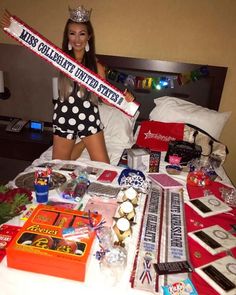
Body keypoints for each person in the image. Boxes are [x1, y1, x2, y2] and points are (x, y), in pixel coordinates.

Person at [1, 7, 134, 164]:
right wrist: (14, 28)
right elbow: (37, 44)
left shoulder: (97, 67)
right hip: (64, 115)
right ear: (67, 36)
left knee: (103, 167)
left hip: (89, 117)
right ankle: (83, 142)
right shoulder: (60, 59)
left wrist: (124, 99)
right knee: (58, 165)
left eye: (82, 33)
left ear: (89, 36)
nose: (77, 39)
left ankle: (85, 140)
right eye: (72, 33)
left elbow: (104, 97)